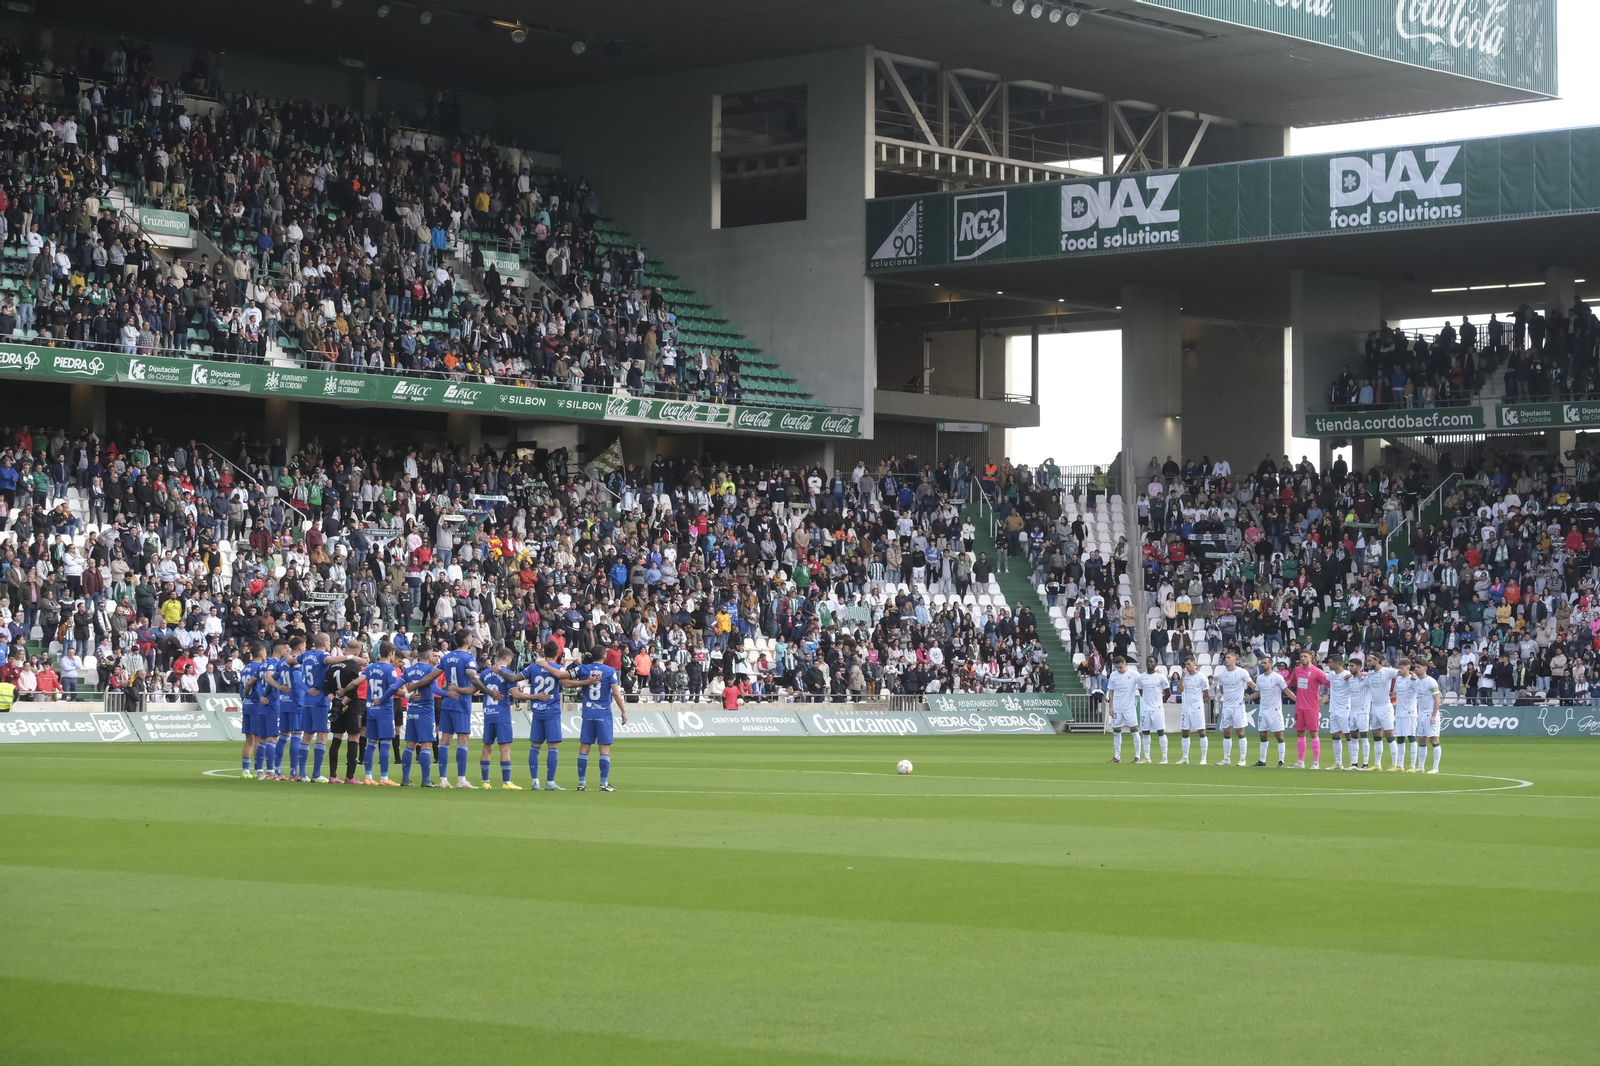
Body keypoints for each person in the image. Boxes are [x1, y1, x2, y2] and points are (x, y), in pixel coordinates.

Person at [510, 639, 575, 790]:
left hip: (537, 710)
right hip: (552, 711)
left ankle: (535, 782)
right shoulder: (559, 668)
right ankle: (550, 783)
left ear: (543, 652)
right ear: (557, 653)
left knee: (535, 746)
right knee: (553, 746)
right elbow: (564, 679)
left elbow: (516, 678)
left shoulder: (533, 667)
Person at [296, 632, 357, 784]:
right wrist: (350, 657)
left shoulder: (306, 655)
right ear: (324, 643)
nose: (330, 644)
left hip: (307, 699)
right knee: (322, 735)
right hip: (320, 700)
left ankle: (302, 774)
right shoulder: (322, 655)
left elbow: (291, 660)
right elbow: (329, 659)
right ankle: (316, 774)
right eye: (329, 641)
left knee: (306, 736)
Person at [564, 648, 627, 791]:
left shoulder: (583, 669)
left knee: (584, 747)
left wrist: (585, 682)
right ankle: (603, 783)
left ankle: (582, 783)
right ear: (604, 655)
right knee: (604, 748)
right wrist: (623, 711)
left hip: (588, 713)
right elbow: (616, 693)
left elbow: (565, 682)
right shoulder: (610, 671)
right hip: (603, 714)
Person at [353, 641, 401, 785]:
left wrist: (343, 690)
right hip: (384, 710)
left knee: (371, 743)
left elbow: (357, 682)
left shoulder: (370, 668)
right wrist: (382, 699)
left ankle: (368, 777)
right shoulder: (390, 670)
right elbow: (393, 689)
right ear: (391, 653)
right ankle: (384, 778)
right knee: (385, 742)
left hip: (371, 709)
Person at [475, 645, 520, 789]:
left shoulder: (485, 672)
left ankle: (485, 782)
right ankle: (506, 782)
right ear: (508, 659)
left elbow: (475, 689)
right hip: (502, 714)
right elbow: (516, 694)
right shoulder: (508, 673)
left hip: (488, 713)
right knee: (505, 748)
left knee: (487, 747)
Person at [399, 649, 442, 786]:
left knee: (410, 744)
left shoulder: (408, 671)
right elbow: (435, 690)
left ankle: (405, 779)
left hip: (412, 710)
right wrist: (449, 692)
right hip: (425, 711)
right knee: (426, 744)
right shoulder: (430, 670)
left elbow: (396, 687)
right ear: (429, 656)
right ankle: (426, 780)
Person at [325, 649, 365, 784]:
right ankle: (350, 777)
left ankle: (333, 775)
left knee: (336, 739)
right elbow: (353, 688)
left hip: (336, 706)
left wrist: (335, 702)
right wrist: (342, 704)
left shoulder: (332, 666)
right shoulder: (354, 666)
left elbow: (325, 687)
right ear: (356, 652)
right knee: (354, 738)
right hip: (352, 706)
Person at [1286, 649, 1329, 770]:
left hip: (1312, 707)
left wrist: (1326, 697)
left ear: (1311, 657)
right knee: (1300, 732)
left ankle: (1316, 762)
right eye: (1301, 656)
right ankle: (1300, 761)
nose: (1303, 659)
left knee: (1314, 733)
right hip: (1299, 706)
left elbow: (1329, 684)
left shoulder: (1317, 672)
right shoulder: (1298, 670)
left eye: (1305, 656)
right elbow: (1290, 682)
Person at [1213, 650, 1256, 767]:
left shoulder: (1242, 672)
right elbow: (1221, 689)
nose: (1226, 659)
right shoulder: (1222, 674)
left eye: (1228, 657)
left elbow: (1253, 686)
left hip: (1238, 706)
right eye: (1225, 658)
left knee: (1240, 731)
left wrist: (1249, 696)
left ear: (1234, 659)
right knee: (1226, 732)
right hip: (1226, 706)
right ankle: (1226, 758)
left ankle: (1243, 759)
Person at [263, 639, 296, 780]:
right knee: (273, 737)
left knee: (264, 738)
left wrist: (261, 695)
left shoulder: (264, 663)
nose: (288, 652)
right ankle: (272, 771)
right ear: (281, 650)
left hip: (267, 702)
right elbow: (268, 678)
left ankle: (265, 770)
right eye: (287, 649)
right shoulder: (274, 663)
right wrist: (280, 687)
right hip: (275, 703)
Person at [1253, 657, 1290, 768]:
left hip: (1275, 711)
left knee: (1278, 734)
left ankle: (1281, 760)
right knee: (1263, 734)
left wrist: (1297, 700)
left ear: (1271, 664)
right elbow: (1257, 693)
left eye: (1265, 663)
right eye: (1262, 663)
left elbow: (1286, 690)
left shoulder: (1277, 677)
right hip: (1263, 710)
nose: (1262, 664)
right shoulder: (1259, 678)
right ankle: (1262, 760)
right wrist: (1247, 698)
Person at [1364, 653, 1398, 771]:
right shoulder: (1370, 674)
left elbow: (1402, 673)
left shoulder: (1387, 671)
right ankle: (1377, 764)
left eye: (1369, 661)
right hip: (1374, 707)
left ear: (1377, 661)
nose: (1367, 663)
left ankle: (1395, 764)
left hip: (1385, 707)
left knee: (1389, 735)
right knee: (1376, 735)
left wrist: (1412, 674)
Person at [238, 643, 266, 779]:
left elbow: (240, 689)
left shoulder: (245, 668)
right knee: (259, 739)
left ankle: (245, 771)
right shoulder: (259, 668)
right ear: (261, 654)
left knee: (249, 740)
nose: (266, 655)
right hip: (256, 705)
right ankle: (258, 770)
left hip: (247, 705)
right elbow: (259, 687)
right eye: (265, 653)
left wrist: (244, 700)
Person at [1105, 655, 1139, 764]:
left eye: (1121, 667)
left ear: (1125, 664)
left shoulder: (1133, 674)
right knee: (1116, 731)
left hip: (1129, 708)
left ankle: (1137, 756)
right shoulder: (1113, 675)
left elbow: (1143, 680)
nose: (1119, 669)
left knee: (1134, 730)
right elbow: (1111, 691)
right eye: (1117, 667)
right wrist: (1111, 706)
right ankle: (1117, 756)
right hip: (1117, 708)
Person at [1323, 654, 1356, 770]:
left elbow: (1361, 676)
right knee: (1335, 735)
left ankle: (1353, 763)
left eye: (1330, 663)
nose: (1328, 665)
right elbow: (1319, 674)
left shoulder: (1347, 675)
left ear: (1337, 663)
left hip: (1345, 709)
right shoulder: (1331, 675)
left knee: (1348, 734)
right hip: (1333, 709)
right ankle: (1338, 763)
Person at [1137, 655, 1169, 764]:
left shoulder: (1161, 677)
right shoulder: (1141, 677)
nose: (1149, 664)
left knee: (1161, 732)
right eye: (1147, 662)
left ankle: (1164, 757)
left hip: (1157, 709)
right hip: (1145, 709)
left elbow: (1167, 693)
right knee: (1145, 732)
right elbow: (1141, 692)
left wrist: (1159, 702)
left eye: (1151, 662)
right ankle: (1147, 757)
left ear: (1156, 663)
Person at [1175, 659, 1208, 764]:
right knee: (1185, 731)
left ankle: (1203, 758)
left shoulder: (1201, 677)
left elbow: (1206, 693)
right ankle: (1185, 757)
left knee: (1201, 731)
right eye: (1185, 664)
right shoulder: (1185, 677)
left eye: (1189, 664)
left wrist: (1198, 702)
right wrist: (1183, 677)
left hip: (1197, 708)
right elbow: (1179, 689)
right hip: (1186, 709)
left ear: (1194, 664)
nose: (1187, 666)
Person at [1413, 662, 1444, 774]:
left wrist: (1434, 715)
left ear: (1425, 668)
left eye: (1418, 667)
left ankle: (1435, 767)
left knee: (1434, 739)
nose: (1416, 669)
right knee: (1421, 739)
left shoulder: (1431, 681)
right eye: (1415, 667)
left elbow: (1437, 698)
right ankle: (1421, 766)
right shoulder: (1417, 682)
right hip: (1421, 715)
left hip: (1430, 714)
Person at [1392, 657, 1421, 773]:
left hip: (1410, 713)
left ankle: (1413, 765)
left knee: (1411, 737)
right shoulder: (1398, 679)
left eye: (1402, 668)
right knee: (1400, 738)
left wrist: (1415, 679)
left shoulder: (1413, 680)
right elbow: (1395, 693)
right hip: (1399, 712)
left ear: (1408, 668)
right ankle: (1400, 765)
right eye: (1399, 667)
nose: (1400, 670)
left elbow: (1418, 692)